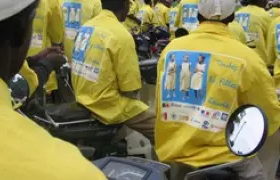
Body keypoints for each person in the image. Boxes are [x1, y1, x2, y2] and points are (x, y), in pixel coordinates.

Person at [155, 0, 280, 180]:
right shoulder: (247, 58)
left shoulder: (171, 50)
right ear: (232, 17)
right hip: (227, 159)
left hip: (174, 153)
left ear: (197, 15)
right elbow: (269, 116)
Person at [0, 0, 106, 179]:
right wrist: (48, 63)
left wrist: (35, 59)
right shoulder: (74, 172)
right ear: (23, 29)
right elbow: (56, 36)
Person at [71, 0, 155, 143]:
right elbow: (130, 88)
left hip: (82, 96)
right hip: (107, 104)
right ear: (124, 5)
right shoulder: (121, 34)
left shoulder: (86, 26)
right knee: (161, 129)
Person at [236, 0, 272, 66]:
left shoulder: (237, 14)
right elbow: (272, 42)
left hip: (237, 61)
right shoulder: (266, 16)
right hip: (258, 62)